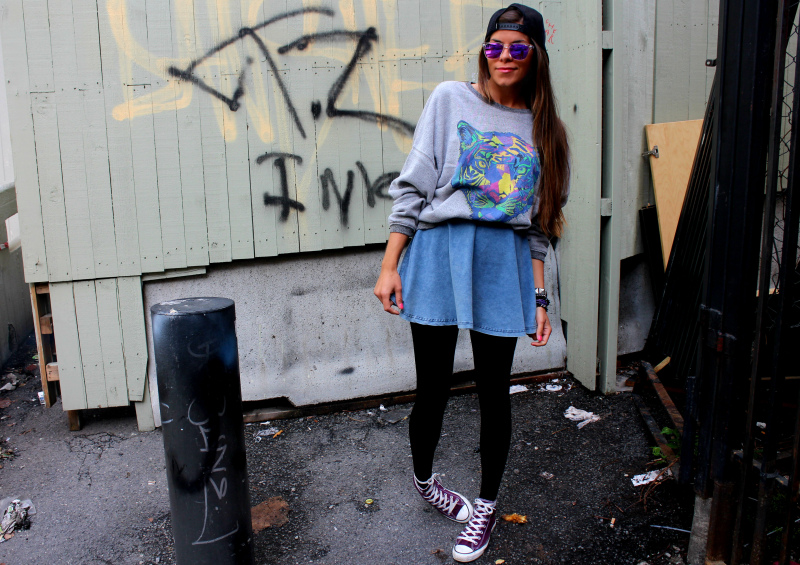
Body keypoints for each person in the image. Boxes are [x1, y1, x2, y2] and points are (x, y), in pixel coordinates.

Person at [373, 3, 570, 562]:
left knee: (493, 392)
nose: (504, 57)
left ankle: (485, 506)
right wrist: (390, 265)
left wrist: (539, 297)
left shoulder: (547, 131)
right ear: (484, 51)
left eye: (518, 48)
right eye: (494, 46)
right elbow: (413, 187)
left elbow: (541, 225)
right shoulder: (449, 99)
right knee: (432, 388)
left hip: (503, 262)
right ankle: (424, 480)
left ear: (536, 57)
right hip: (439, 252)